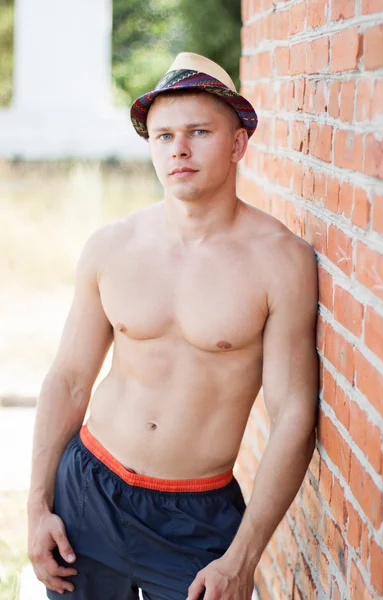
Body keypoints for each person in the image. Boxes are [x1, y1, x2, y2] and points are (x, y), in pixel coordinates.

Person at [27, 52, 319, 600]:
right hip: (87, 493)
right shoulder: (111, 247)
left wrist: (244, 556)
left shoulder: (281, 261)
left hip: (197, 519)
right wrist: (37, 507)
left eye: (198, 132)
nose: (178, 148)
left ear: (237, 144)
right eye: (163, 136)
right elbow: (68, 379)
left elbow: (293, 415)